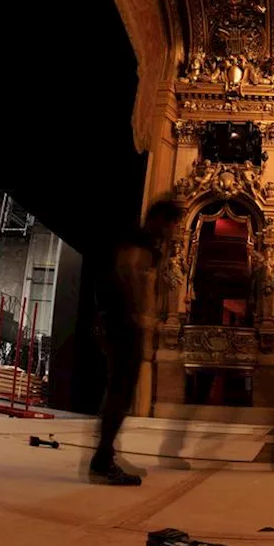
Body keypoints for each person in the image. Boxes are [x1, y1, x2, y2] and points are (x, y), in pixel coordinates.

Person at [89, 197, 182, 485]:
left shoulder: (146, 244)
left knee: (121, 391)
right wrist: (137, 318)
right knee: (120, 392)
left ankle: (104, 456)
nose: (174, 231)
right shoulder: (140, 243)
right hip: (123, 322)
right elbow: (127, 274)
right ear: (161, 221)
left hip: (121, 321)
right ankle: (103, 460)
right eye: (173, 224)